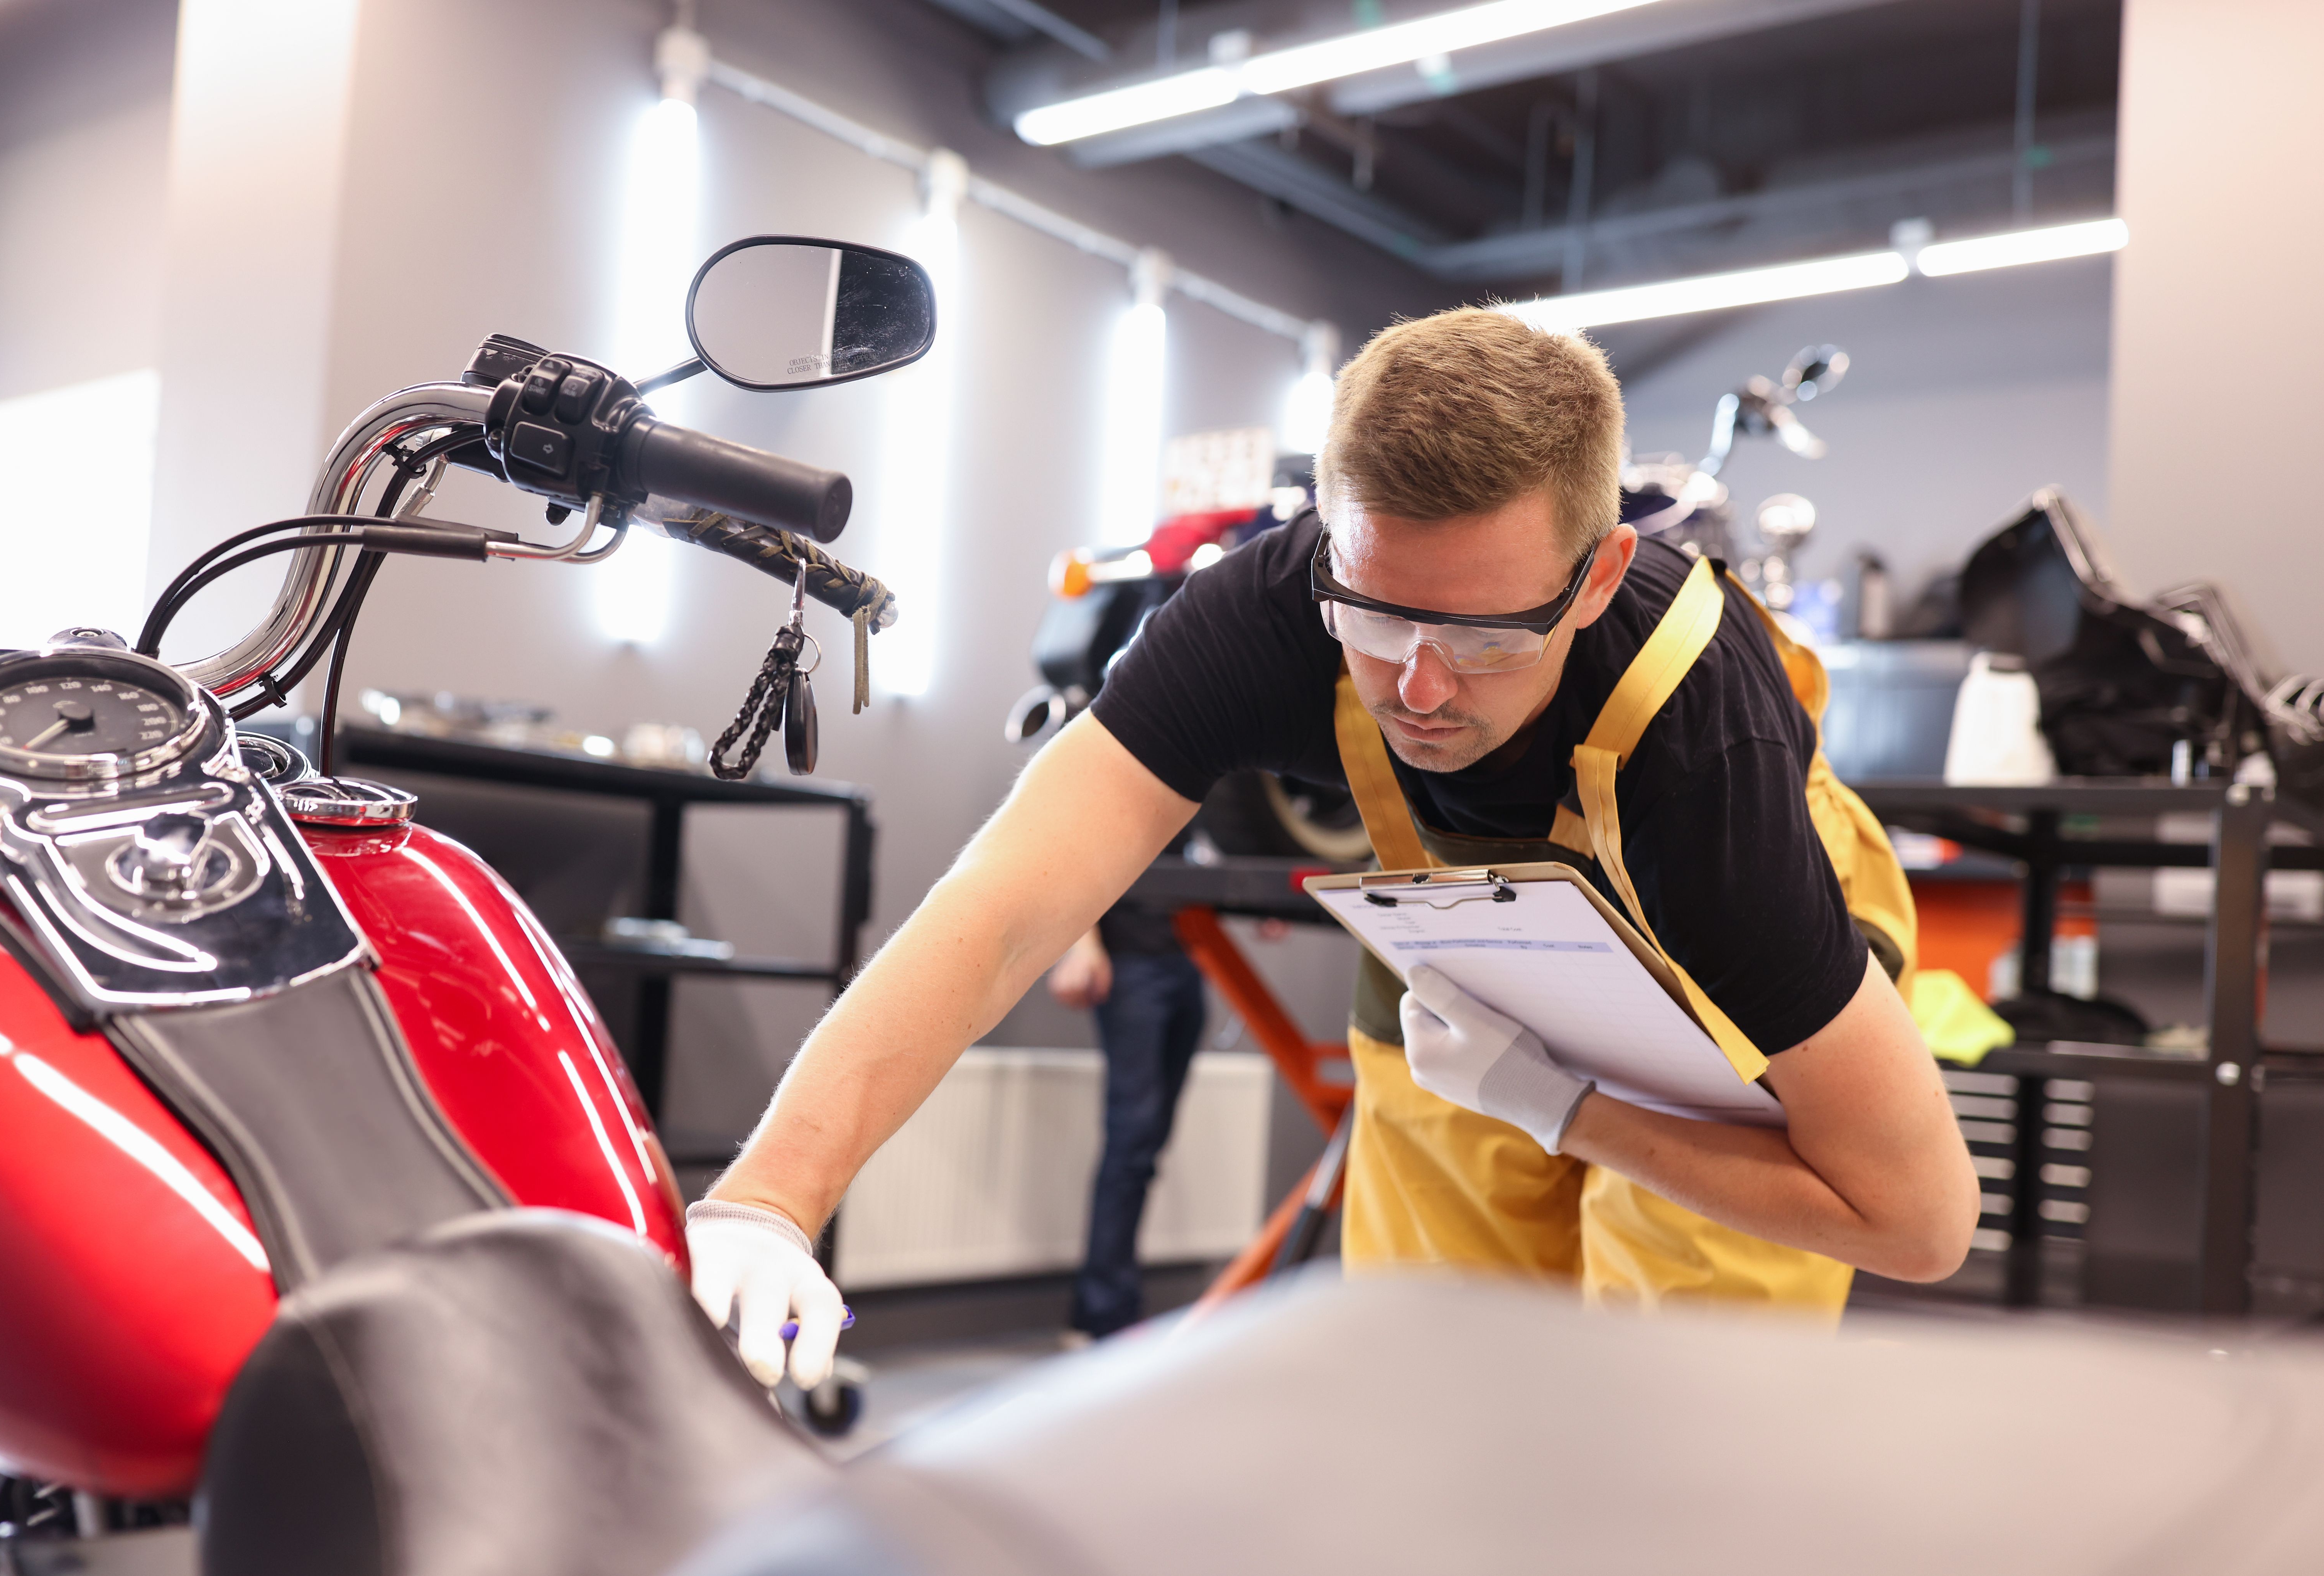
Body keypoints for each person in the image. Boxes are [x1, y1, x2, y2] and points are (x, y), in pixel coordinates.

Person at [684, 307, 1980, 1391]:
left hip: (1704, 1003)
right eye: (1371, 617)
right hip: (1467, 969)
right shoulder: (1256, 613)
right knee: (1433, 1406)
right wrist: (772, 1197)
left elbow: (1917, 1223)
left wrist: (1572, 1112)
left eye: (1479, 638)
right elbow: (1003, 910)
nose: (1414, 688)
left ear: (1591, 583)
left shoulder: (1701, 767)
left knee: (1664, 1435)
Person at [1047, 898, 1206, 1341]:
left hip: (1189, 959)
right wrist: (1082, 946)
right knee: (1131, 1143)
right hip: (1131, 964)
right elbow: (1081, 856)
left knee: (1147, 1145)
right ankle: (1104, 1317)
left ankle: (1103, 1310)